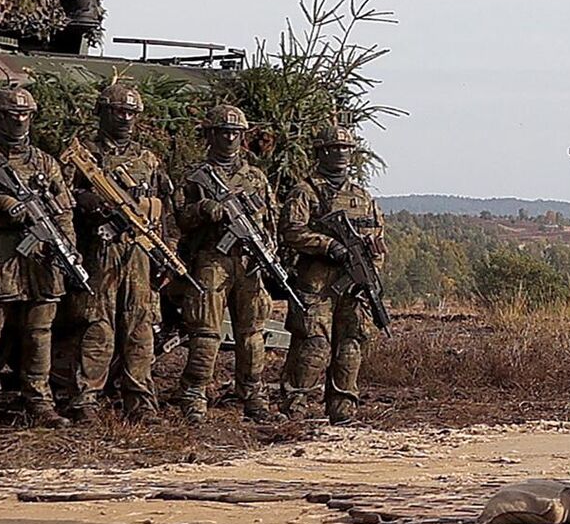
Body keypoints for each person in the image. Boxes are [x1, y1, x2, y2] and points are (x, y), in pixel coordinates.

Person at [0, 85, 77, 433]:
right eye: (11, 114)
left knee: (39, 334)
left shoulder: (45, 162)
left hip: (40, 261)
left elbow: (63, 210)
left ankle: (39, 403)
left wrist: (68, 247)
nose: (19, 120)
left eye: (24, 114)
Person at [56, 81, 173, 421]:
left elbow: (163, 210)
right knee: (97, 325)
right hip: (99, 250)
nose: (125, 118)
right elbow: (59, 197)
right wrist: (85, 200)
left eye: (131, 113)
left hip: (138, 251)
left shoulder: (148, 159)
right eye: (118, 111)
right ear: (103, 113)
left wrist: (166, 253)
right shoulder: (83, 155)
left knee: (140, 326)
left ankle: (140, 400)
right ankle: (85, 398)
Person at [173, 104, 279, 423]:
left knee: (252, 334)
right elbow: (178, 219)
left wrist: (269, 250)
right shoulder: (195, 176)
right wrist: (202, 209)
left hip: (248, 262)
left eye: (235, 132)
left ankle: (253, 396)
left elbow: (270, 222)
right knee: (206, 332)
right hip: (212, 260)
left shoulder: (255, 178)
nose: (230, 138)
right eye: (223, 132)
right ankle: (194, 396)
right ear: (212, 135)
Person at [279, 125, 386, 424]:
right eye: (334, 148)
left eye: (346, 149)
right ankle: (295, 407)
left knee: (351, 344)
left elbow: (377, 240)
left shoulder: (362, 197)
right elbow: (291, 232)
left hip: (354, 287)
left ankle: (343, 409)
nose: (341, 154)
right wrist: (328, 246)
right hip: (316, 284)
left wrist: (370, 276)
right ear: (321, 152)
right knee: (313, 345)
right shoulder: (306, 192)